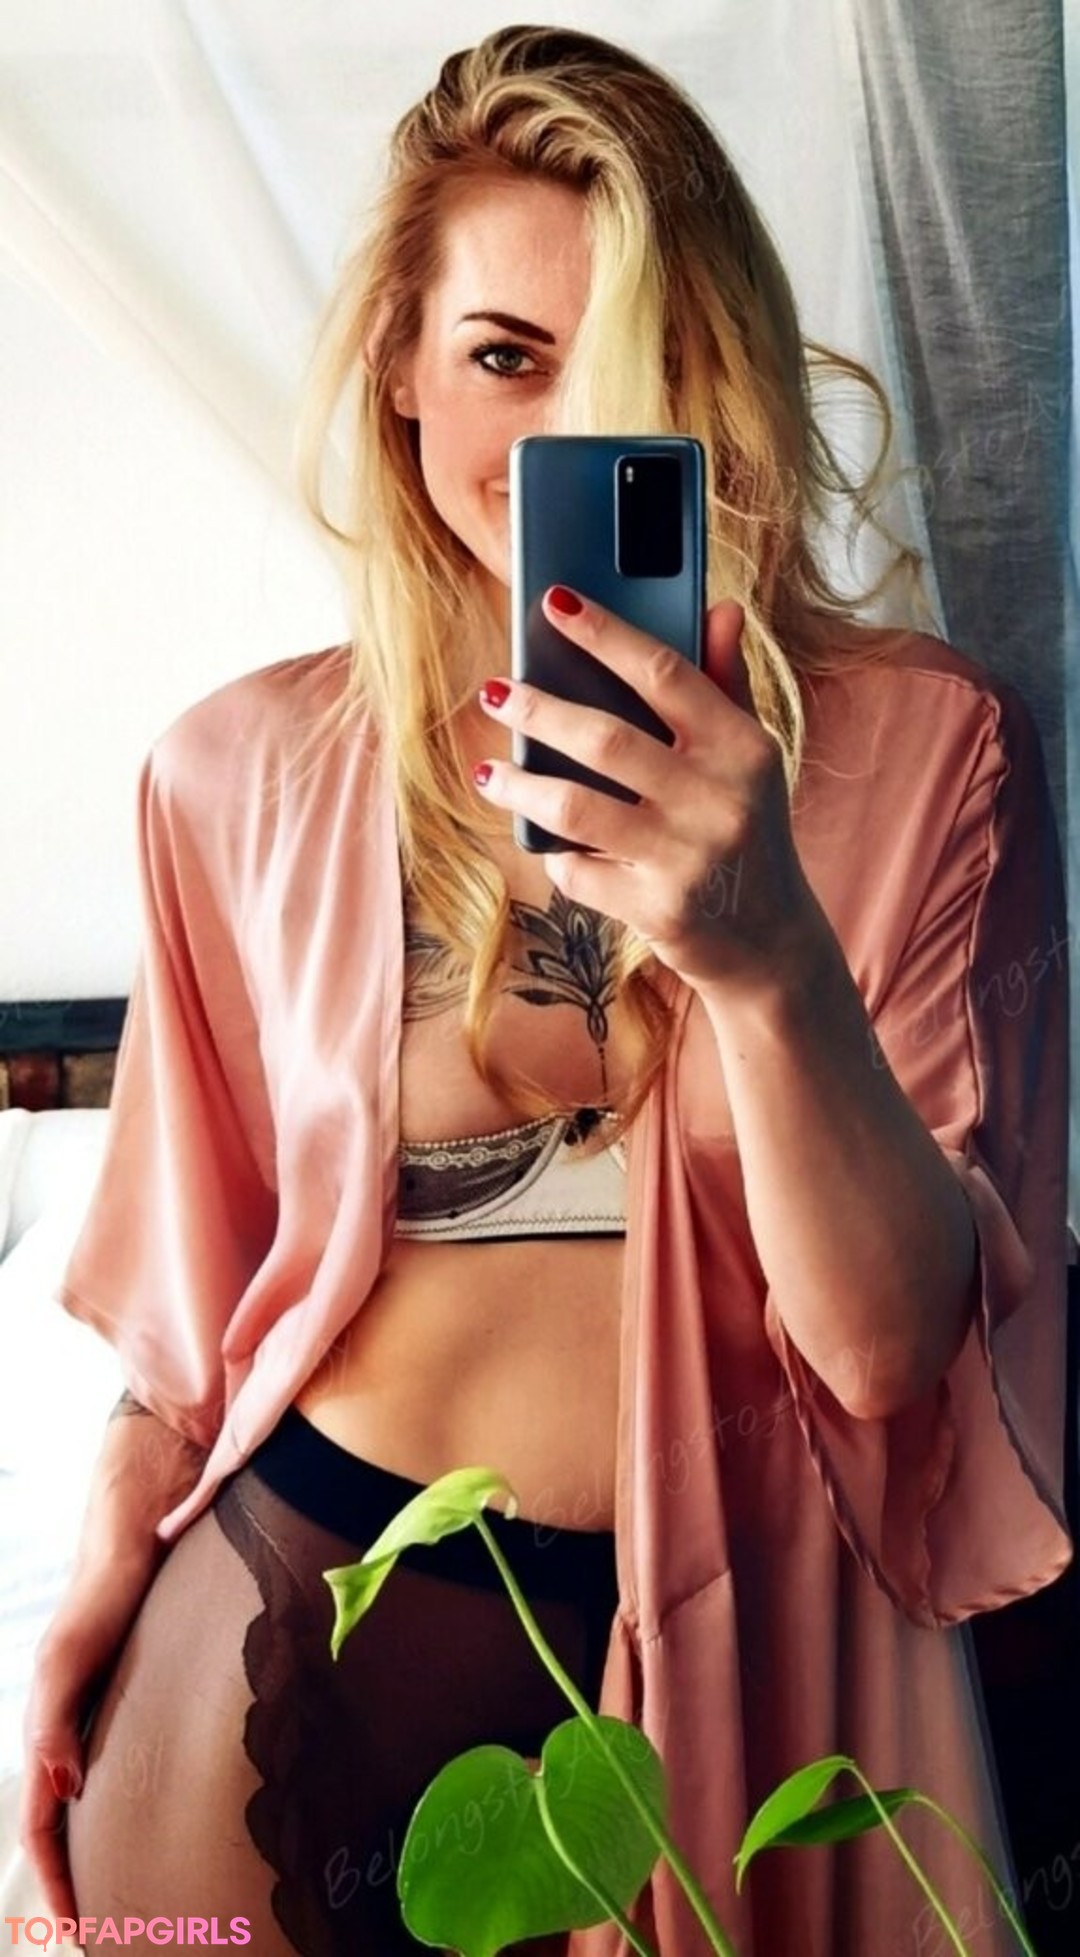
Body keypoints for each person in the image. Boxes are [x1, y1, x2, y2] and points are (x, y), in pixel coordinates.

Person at [20, 23, 1071, 1957]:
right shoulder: (234, 775)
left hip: (759, 1646)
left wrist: (767, 954)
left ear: (729, 386)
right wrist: (96, 1569)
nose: (573, 431)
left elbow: (893, 1352)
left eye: (646, 366)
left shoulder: (932, 750)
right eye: (507, 356)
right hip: (299, 1607)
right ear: (401, 367)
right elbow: (189, 1312)